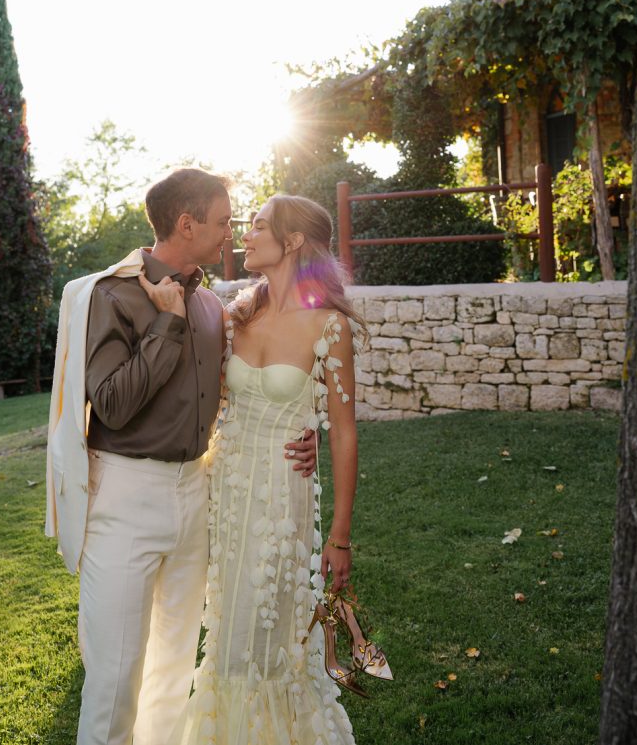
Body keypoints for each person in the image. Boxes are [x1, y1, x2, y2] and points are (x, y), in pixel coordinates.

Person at [45, 169, 317, 745]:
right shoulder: (109, 295)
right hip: (124, 497)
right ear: (187, 224)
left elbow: (242, 388)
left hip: (196, 493)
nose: (231, 233)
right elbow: (113, 405)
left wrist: (301, 428)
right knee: (116, 677)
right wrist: (167, 322)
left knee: (172, 669)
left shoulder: (215, 307)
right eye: (222, 222)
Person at [176, 194, 387, 745]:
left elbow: (344, 431)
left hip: (281, 496)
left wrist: (339, 536)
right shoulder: (236, 315)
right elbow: (211, 399)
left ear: (292, 241)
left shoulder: (329, 326)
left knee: (269, 632)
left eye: (258, 227)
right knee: (226, 630)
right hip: (225, 491)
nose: (245, 236)